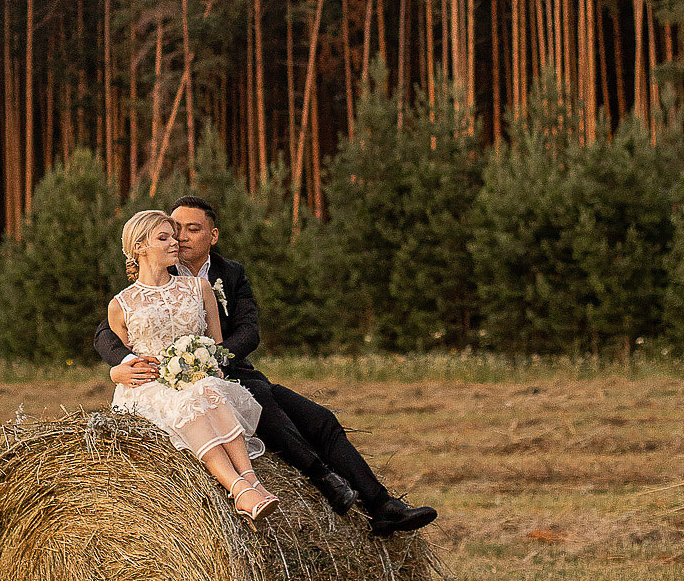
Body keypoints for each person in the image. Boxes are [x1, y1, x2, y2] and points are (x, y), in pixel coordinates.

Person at [95, 196, 437, 536]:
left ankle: (382, 505)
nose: (179, 237)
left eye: (191, 229)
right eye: (173, 229)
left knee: (320, 420)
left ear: (213, 236)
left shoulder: (229, 274)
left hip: (230, 370)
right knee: (271, 414)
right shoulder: (151, 271)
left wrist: (210, 358)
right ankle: (325, 482)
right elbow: (108, 331)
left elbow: (249, 330)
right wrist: (121, 365)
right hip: (176, 385)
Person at [107, 209, 280, 523]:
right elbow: (124, 357)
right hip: (149, 389)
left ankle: (251, 480)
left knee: (207, 389)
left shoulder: (199, 289)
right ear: (140, 247)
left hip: (200, 376)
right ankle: (238, 488)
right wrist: (117, 371)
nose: (175, 243)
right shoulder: (121, 304)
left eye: (173, 237)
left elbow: (216, 345)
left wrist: (207, 366)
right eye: (164, 238)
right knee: (189, 401)